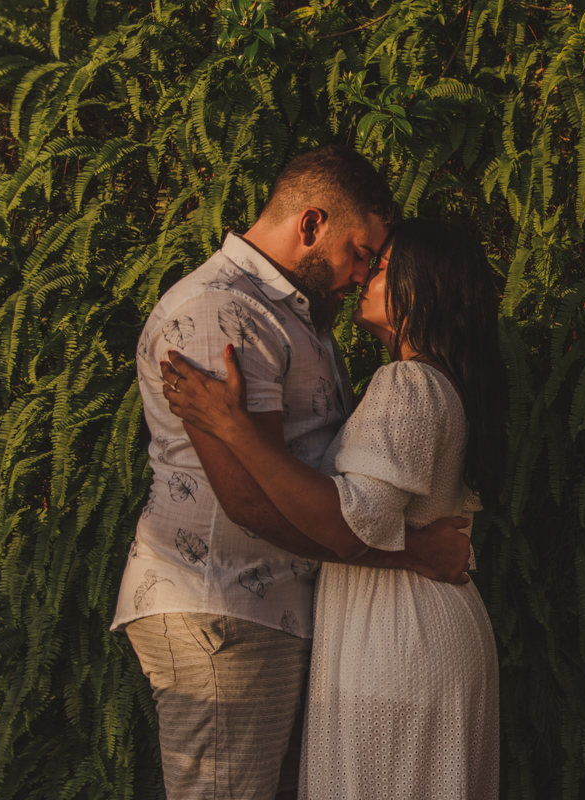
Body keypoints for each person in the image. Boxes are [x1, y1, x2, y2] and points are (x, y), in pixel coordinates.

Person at [111, 146, 474, 800]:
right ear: (310, 225)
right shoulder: (221, 313)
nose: (362, 275)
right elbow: (248, 502)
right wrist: (410, 552)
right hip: (222, 610)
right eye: (361, 253)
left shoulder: (293, 316)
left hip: (267, 612)